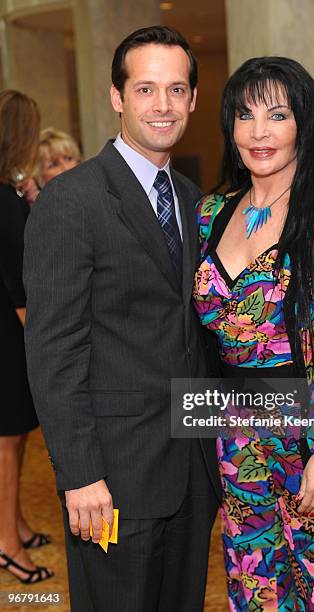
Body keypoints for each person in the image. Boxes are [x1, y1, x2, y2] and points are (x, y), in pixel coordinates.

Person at [23, 26, 219, 611]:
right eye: (146, 89)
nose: (163, 105)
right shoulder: (71, 201)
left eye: (176, 89)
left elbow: (195, 335)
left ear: (192, 100)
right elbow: (54, 350)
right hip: (111, 479)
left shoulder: (192, 197)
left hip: (190, 468)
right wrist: (80, 475)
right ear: (117, 97)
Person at [193, 57, 314, 610]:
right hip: (234, 435)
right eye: (245, 116)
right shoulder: (212, 213)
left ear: (304, 125)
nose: (259, 132)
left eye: (277, 115)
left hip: (309, 435)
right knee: (255, 587)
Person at [0, 90, 53, 584]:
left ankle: (13, 525)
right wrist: (41, 342)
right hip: (7, 337)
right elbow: (17, 282)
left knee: (12, 442)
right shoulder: (2, 200)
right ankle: (7, 545)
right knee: (8, 444)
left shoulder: (9, 193)